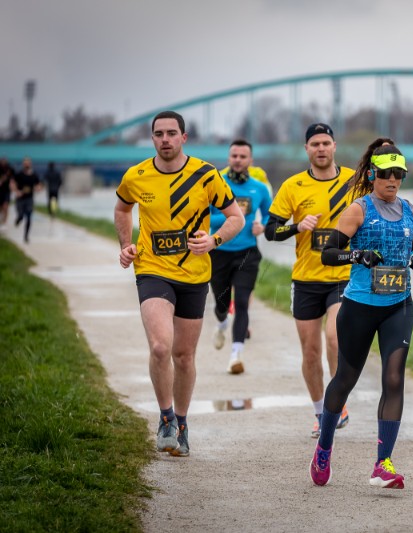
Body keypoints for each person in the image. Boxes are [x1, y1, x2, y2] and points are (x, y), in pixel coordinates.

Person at [113, 110, 244, 457]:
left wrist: (214, 241)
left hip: (194, 275)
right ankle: (166, 416)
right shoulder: (136, 175)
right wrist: (126, 244)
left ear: (184, 138)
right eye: (159, 134)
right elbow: (123, 209)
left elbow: (236, 218)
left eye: (172, 133)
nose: (165, 139)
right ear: (152, 139)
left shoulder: (205, 174)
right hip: (153, 270)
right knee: (160, 347)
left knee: (184, 356)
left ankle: (182, 423)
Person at [309, 140, 413, 489]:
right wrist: (357, 256)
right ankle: (325, 447)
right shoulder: (357, 210)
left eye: (399, 175)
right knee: (345, 378)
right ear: (374, 174)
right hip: (359, 307)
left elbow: (411, 242)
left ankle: (383, 463)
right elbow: (329, 253)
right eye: (387, 174)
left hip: (398, 306)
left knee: (394, 378)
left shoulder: (412, 211)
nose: (393, 180)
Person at [264, 123, 355, 438]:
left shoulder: (354, 182)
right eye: (315, 143)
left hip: (344, 276)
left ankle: (336, 404)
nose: (321, 148)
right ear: (307, 149)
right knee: (311, 352)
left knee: (335, 338)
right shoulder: (293, 186)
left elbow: (376, 212)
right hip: (305, 279)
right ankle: (320, 413)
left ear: (334, 146)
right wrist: (297, 227)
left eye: (326, 143)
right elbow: (270, 230)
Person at [209, 139, 272, 374]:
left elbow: (269, 214)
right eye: (234, 156)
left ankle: (235, 355)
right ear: (229, 158)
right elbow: (204, 217)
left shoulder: (259, 188)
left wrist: (262, 225)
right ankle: (222, 321)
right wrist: (233, 218)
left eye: (242, 156)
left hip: (247, 253)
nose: (237, 160)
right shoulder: (215, 184)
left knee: (243, 302)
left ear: (250, 161)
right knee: (221, 304)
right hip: (218, 252)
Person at [11, 157, 41, 243]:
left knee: (29, 217)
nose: (27, 165)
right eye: (25, 163)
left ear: (30, 164)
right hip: (20, 199)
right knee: (21, 215)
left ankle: (26, 236)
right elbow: (12, 183)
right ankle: (18, 219)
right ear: (23, 164)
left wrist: (38, 188)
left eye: (28, 163)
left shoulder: (34, 175)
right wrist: (16, 191)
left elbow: (38, 184)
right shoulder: (19, 174)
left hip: (29, 198)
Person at [0, 158, 12, 228]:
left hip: (6, 191)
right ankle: (2, 218)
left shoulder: (10, 169)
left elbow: (13, 180)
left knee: (6, 206)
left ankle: (5, 221)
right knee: (1, 207)